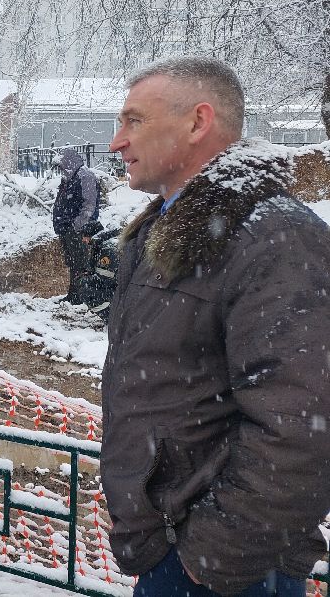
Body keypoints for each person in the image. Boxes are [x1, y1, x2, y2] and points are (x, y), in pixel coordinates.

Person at [103, 57, 330, 597]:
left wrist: (215, 556)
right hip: (175, 551)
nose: (116, 142)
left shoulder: (273, 237)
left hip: (226, 568)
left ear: (198, 122)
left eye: (133, 121)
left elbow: (304, 424)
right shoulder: (170, 229)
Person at [52, 147, 100, 304]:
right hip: (67, 228)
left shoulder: (84, 176)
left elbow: (89, 205)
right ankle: (74, 295)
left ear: (68, 162)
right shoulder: (69, 176)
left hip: (78, 230)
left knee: (81, 263)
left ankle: (81, 297)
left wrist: (76, 226)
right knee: (73, 263)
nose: (60, 170)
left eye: (61, 166)